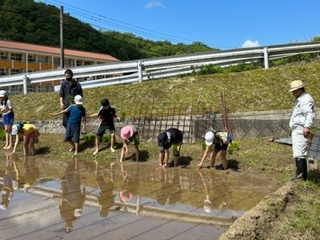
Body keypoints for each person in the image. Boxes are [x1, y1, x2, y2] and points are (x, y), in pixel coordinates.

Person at [289, 80, 315, 181]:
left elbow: (309, 113)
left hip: (301, 128)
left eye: (294, 91)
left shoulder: (305, 99)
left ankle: (301, 177)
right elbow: (297, 115)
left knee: (300, 152)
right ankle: (299, 175)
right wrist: (292, 127)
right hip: (297, 128)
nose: (292, 93)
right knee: (297, 152)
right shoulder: (299, 99)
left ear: (299, 89)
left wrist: (306, 126)